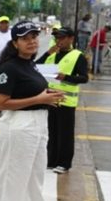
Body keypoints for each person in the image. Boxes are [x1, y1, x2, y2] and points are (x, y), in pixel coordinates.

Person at [0, 21, 64, 201]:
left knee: (35, 175)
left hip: (39, 122)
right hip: (19, 125)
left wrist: (49, 95)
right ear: (15, 43)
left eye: (34, 36)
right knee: (14, 174)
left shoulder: (30, 64)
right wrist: (39, 98)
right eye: (26, 38)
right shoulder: (9, 67)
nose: (32, 41)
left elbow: (29, 90)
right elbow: (1, 103)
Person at [37, 27, 88, 173]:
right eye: (57, 38)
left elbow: (84, 78)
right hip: (50, 99)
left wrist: (66, 77)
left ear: (71, 39)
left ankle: (64, 163)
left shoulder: (78, 56)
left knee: (65, 133)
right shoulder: (52, 55)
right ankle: (51, 160)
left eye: (62, 37)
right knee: (51, 132)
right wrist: (48, 53)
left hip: (66, 100)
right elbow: (35, 67)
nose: (58, 40)